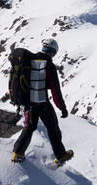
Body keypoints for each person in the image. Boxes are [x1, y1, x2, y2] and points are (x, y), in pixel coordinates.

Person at [12, 38, 74, 166]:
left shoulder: (30, 60)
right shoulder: (49, 66)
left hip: (29, 103)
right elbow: (55, 90)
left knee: (29, 127)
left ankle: (18, 153)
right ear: (53, 52)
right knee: (53, 128)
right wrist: (62, 108)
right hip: (42, 102)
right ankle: (61, 155)